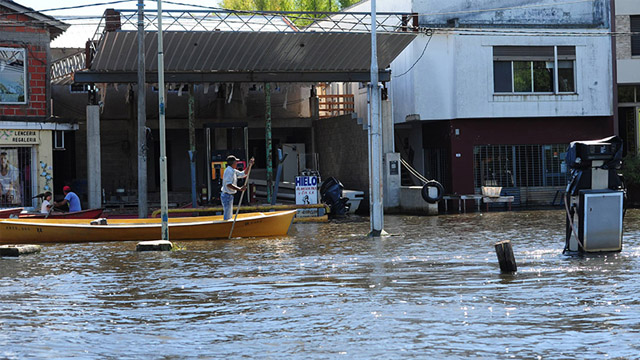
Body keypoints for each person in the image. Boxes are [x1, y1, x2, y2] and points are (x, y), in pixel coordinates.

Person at [221, 155, 254, 220]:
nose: (237, 163)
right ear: (233, 163)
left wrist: (249, 165)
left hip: (229, 196)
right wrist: (239, 189)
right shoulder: (229, 171)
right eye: (236, 162)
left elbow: (243, 174)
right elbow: (229, 184)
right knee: (227, 216)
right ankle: (227, 228)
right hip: (227, 195)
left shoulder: (233, 171)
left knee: (229, 215)